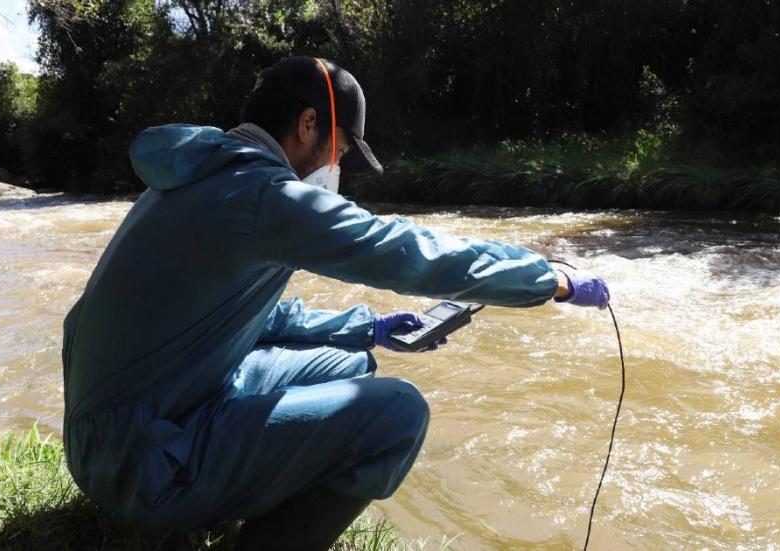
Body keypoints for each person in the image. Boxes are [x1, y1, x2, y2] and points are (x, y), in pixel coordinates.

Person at [60, 56, 609, 550]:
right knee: (397, 414)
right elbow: (406, 251)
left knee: (349, 364)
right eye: (342, 150)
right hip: (139, 461)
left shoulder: (203, 175)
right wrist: (547, 278)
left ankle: (237, 493)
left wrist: (365, 328)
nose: (336, 167)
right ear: (307, 126)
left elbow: (248, 314)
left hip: (119, 430)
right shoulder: (266, 197)